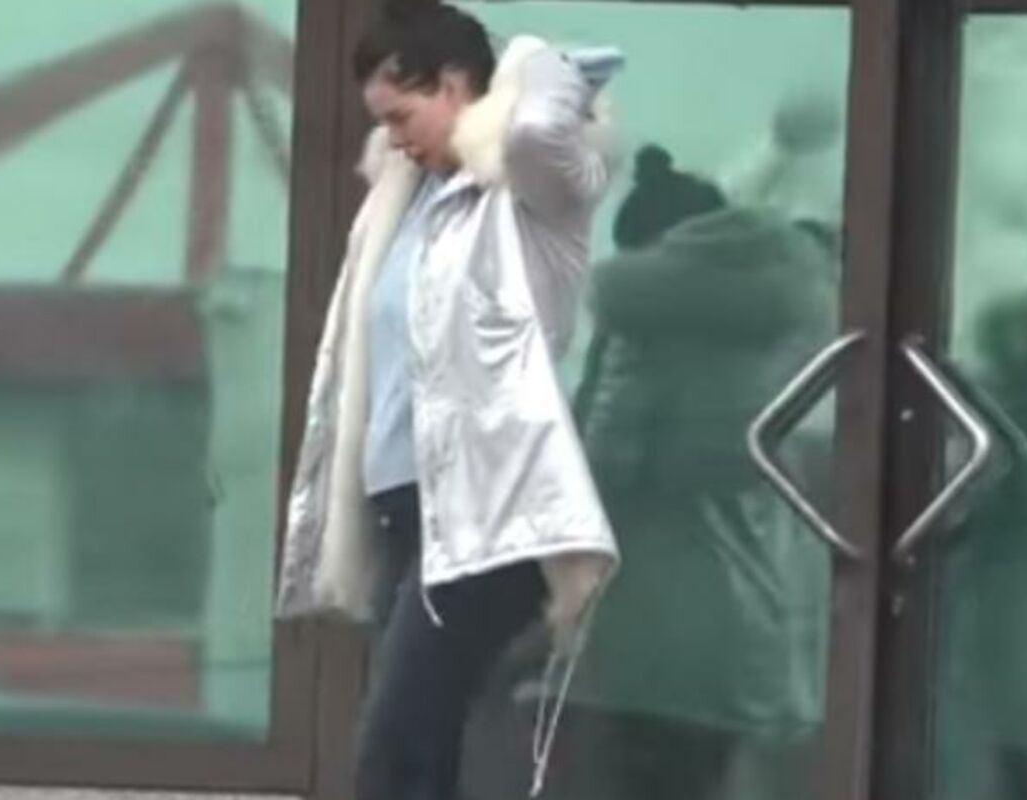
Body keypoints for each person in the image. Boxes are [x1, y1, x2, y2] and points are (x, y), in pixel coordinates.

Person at [274, 2, 622, 798]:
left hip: (482, 515)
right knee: (426, 746)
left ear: (457, 86)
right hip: (405, 511)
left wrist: (528, 56)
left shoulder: (531, 193)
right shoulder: (407, 202)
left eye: (402, 115)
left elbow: (535, 129)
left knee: (395, 747)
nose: (394, 139)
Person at [555, 146, 837, 800]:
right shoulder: (784, 324)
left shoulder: (649, 338)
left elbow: (600, 477)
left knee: (647, 774)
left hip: (654, 614)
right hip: (761, 609)